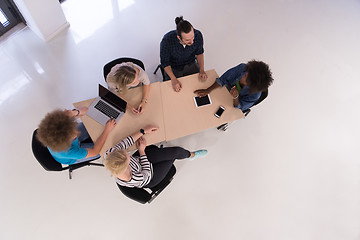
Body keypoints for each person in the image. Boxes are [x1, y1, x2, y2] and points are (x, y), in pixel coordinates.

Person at [104, 126, 208, 188]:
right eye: (128, 157)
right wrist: (141, 151)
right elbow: (147, 172)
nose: (128, 154)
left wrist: (143, 131)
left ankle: (188, 154)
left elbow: (125, 143)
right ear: (125, 167)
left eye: (125, 153)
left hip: (140, 161)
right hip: (150, 176)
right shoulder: (132, 178)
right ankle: (192, 156)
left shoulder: (111, 154)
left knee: (175, 152)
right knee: (174, 154)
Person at [37, 106, 116, 165]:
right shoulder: (70, 152)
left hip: (66, 143)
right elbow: (95, 152)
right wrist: (107, 130)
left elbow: (86, 110)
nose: (77, 133)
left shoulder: (58, 124)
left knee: (91, 124)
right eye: (74, 133)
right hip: (72, 157)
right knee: (104, 150)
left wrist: (73, 112)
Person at [194, 60, 274, 111]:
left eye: (246, 77)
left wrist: (235, 97)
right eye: (246, 73)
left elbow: (240, 107)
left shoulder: (255, 95)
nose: (244, 75)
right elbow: (223, 79)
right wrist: (208, 90)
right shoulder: (243, 68)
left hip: (235, 100)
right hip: (227, 90)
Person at [160, 16, 208, 92]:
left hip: (190, 63)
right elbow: (165, 63)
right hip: (174, 67)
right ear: (179, 38)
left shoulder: (198, 35)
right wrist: (173, 79)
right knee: (174, 91)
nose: (192, 42)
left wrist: (202, 70)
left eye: (193, 37)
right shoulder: (167, 41)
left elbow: (199, 53)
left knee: (197, 87)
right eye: (188, 40)